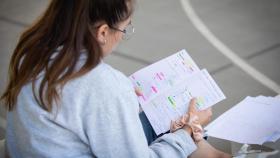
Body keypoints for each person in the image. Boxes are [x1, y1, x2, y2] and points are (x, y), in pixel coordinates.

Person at [1, 0, 231, 157]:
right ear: (103, 32)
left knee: (165, 120)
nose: (123, 35)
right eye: (124, 29)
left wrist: (121, 103)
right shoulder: (102, 84)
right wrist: (187, 133)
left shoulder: (33, 52)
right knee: (183, 127)